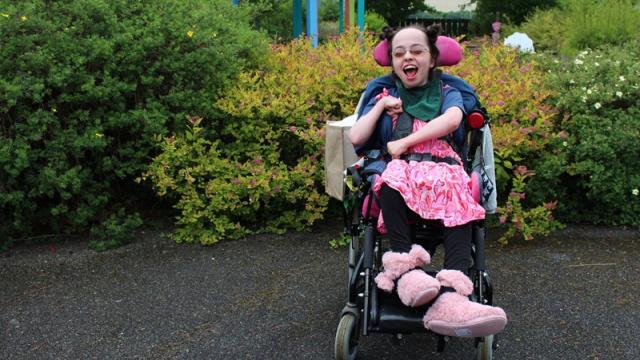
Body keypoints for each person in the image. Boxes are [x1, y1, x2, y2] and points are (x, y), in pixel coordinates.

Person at [348, 24, 507, 338]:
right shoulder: (383, 92)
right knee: (390, 179)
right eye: (399, 52)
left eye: (417, 50)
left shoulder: (448, 91)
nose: (408, 56)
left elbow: (452, 120)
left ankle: (454, 298)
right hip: (401, 167)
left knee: (461, 193)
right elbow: (356, 136)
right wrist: (380, 105)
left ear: (433, 58)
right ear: (392, 62)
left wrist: (406, 142)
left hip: (443, 165)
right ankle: (408, 272)